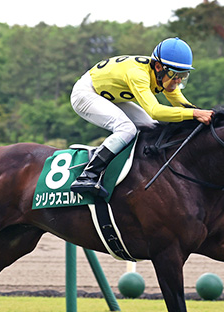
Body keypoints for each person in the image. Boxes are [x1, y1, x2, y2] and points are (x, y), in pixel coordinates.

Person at [69, 37, 213, 197]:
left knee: (151, 127)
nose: (177, 81)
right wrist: (195, 114)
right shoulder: (138, 74)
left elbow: (182, 105)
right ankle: (88, 175)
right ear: (158, 67)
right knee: (126, 128)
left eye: (183, 75)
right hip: (86, 94)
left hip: (110, 96)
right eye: (174, 74)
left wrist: (205, 116)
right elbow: (155, 111)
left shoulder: (163, 75)